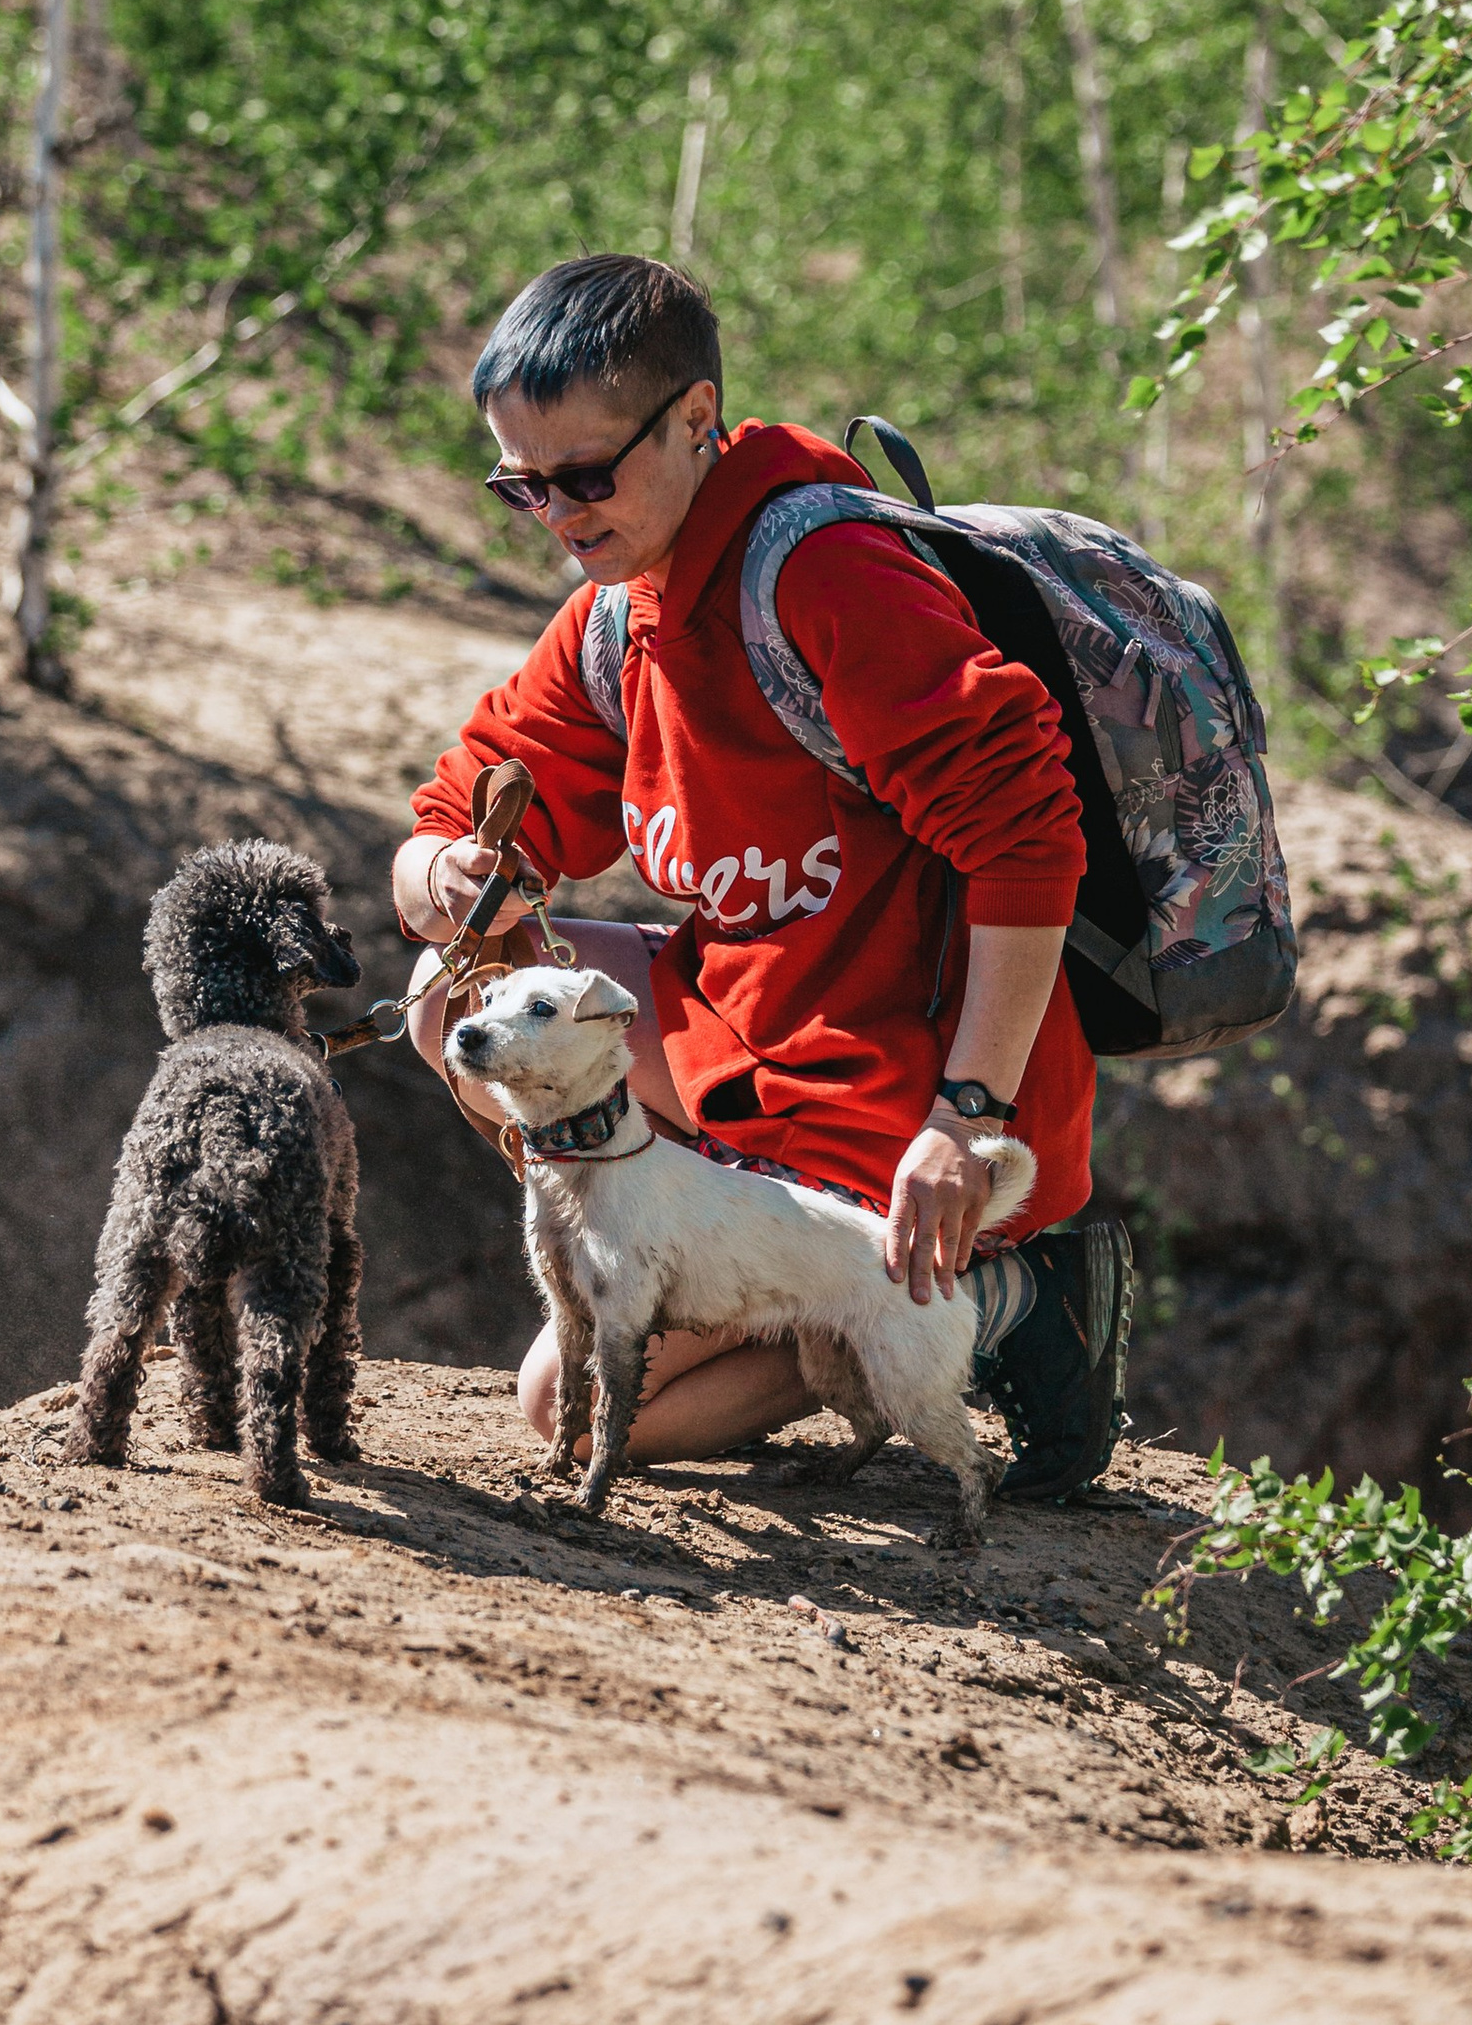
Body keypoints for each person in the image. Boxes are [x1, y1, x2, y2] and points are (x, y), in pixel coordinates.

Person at [392, 252, 1128, 1497]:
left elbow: (1026, 834)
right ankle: (702, 1246)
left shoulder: (824, 575)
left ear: (694, 421)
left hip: (903, 1080)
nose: (560, 514)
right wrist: (444, 873)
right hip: (741, 1037)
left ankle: (1006, 1289)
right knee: (445, 995)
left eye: (585, 475)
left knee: (567, 1415)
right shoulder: (622, 608)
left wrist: (967, 1119)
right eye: (525, 485)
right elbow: (464, 808)